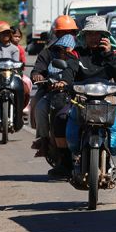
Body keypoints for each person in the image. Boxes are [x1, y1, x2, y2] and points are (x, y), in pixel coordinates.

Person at [72, 15, 116, 179]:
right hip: (81, 99)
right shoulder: (77, 53)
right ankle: (64, 162)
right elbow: (69, 72)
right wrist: (65, 83)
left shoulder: (113, 53)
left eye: (97, 34)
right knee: (62, 116)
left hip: (108, 98)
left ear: (104, 36)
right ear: (84, 35)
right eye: (90, 34)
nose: (93, 37)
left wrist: (109, 55)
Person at [30, 15, 80, 143]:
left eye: (70, 33)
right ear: (56, 34)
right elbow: (38, 68)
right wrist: (38, 75)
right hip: (51, 90)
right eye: (63, 33)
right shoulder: (47, 52)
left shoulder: (81, 51)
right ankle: (43, 140)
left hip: (77, 92)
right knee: (39, 107)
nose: (67, 37)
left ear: (75, 33)